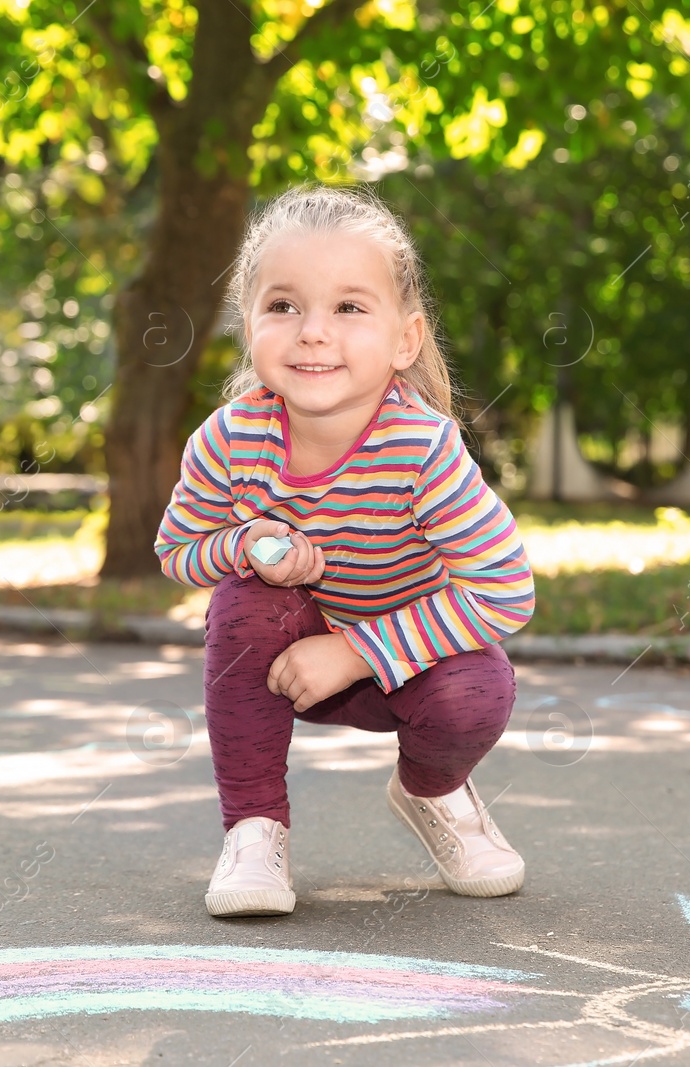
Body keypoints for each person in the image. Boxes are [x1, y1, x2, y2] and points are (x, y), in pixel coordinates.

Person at [154, 183, 535, 918]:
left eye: (349, 307)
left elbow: (504, 589)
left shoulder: (423, 449)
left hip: (407, 666)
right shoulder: (230, 439)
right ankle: (254, 827)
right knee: (242, 598)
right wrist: (248, 541)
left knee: (478, 689)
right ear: (249, 325)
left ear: (406, 338)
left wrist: (357, 651)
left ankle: (433, 792)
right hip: (281, 662)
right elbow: (179, 549)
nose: (312, 332)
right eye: (283, 306)